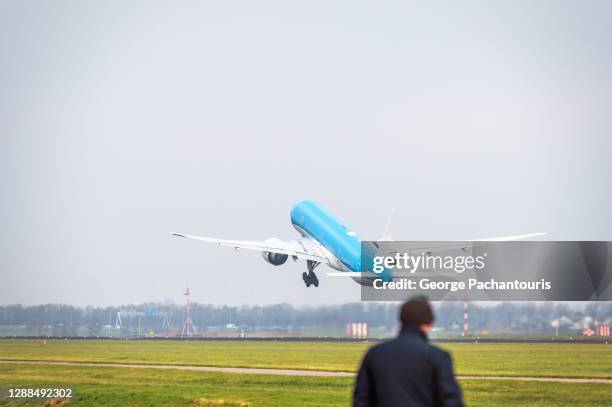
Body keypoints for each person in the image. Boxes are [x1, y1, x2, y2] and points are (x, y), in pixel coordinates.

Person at [353, 297, 463, 407]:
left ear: (401, 321)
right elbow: (451, 401)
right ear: (429, 324)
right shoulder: (438, 356)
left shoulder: (374, 353)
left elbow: (361, 399)